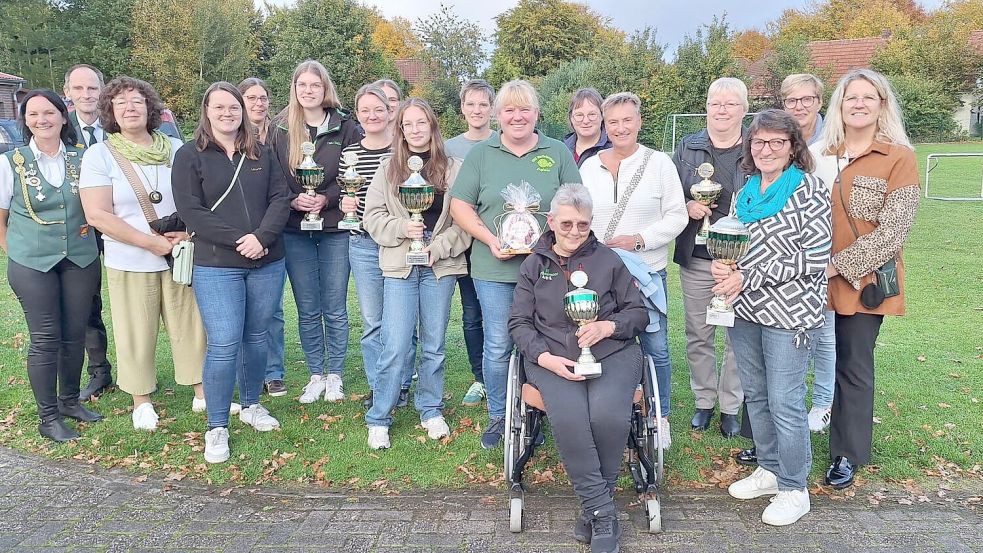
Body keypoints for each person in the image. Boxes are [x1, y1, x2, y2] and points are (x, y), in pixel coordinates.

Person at [509, 183, 647, 553]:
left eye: (582, 225)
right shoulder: (533, 265)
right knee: (570, 416)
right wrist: (544, 357)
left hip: (613, 354)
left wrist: (609, 326)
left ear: (590, 224)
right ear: (551, 221)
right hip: (552, 357)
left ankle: (593, 509)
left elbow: (638, 313)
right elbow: (519, 324)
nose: (574, 232)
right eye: (566, 224)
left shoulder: (609, 261)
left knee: (607, 416)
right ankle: (603, 512)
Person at [712, 109, 831, 526]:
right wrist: (724, 268)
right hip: (745, 311)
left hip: (790, 313)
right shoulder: (745, 191)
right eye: (759, 142)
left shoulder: (810, 190)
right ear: (750, 146)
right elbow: (733, 242)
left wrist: (748, 276)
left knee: (786, 401)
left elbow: (815, 257)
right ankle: (769, 468)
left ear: (792, 147)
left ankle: (795, 487)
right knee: (757, 395)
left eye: (777, 142)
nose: (767, 150)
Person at [449, 79, 582, 449]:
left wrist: (557, 239)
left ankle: (542, 409)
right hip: (494, 269)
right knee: (496, 343)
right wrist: (491, 240)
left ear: (537, 114)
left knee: (546, 340)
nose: (517, 116)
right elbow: (460, 204)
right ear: (497, 115)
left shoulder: (556, 152)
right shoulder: (481, 154)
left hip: (549, 268)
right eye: (509, 109)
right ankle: (500, 415)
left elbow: (576, 202)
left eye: (525, 109)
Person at [810, 69, 920, 490]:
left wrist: (837, 266)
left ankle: (846, 453)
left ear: (882, 105)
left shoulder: (899, 157)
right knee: (785, 356)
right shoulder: (819, 153)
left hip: (863, 281)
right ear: (839, 105)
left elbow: (894, 230)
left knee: (853, 365)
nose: (858, 104)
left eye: (867, 97)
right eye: (850, 97)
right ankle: (768, 444)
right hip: (808, 278)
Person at [172, 81, 291, 463]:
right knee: (224, 343)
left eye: (234, 107)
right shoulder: (190, 155)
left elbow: (280, 199)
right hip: (217, 264)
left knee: (257, 337)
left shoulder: (264, 152)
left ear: (243, 112)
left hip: (267, 260)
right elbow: (191, 212)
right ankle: (217, 425)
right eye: (219, 107)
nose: (228, 113)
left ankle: (253, 403)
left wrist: (262, 237)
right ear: (206, 111)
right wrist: (242, 239)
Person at [79, 76, 205, 431]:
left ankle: (201, 390)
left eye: (136, 101)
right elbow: (98, 214)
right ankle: (141, 400)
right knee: (135, 330)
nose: (130, 108)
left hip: (180, 253)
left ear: (151, 108)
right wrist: (149, 242)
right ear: (111, 113)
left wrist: (187, 233)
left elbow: (200, 199)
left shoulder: (179, 148)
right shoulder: (99, 155)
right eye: (121, 104)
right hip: (130, 259)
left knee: (192, 324)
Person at [579, 92, 688, 450]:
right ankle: (610, 412)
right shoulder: (589, 165)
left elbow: (678, 215)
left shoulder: (658, 163)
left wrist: (639, 239)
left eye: (628, 120)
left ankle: (662, 416)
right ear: (605, 126)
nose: (621, 127)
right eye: (613, 121)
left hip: (646, 272)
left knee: (655, 346)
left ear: (639, 122)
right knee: (606, 344)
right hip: (601, 274)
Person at [362, 98, 470, 449]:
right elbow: (372, 217)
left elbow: (464, 225)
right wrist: (402, 230)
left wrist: (435, 249)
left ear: (433, 126)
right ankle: (380, 416)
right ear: (401, 129)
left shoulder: (455, 169)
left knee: (434, 345)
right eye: (408, 125)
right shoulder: (387, 168)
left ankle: (430, 408)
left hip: (439, 268)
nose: (415, 130)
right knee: (395, 344)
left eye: (421, 123)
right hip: (399, 266)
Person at [0, 90, 102, 441]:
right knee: (45, 338)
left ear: (63, 116)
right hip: (32, 263)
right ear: (25, 121)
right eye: (32, 114)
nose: (41, 119)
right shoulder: (10, 162)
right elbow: (0, 220)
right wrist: (16, 251)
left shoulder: (84, 158)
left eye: (48, 112)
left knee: (74, 335)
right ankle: (48, 418)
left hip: (80, 257)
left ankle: (70, 401)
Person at [268, 60, 360, 404]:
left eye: (315, 85)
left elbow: (354, 177)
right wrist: (294, 201)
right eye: (302, 84)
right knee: (307, 307)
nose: (308, 90)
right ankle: (315, 374)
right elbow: (274, 177)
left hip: (335, 227)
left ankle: (335, 373)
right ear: (294, 88)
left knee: (334, 305)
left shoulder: (346, 127)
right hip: (294, 229)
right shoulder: (279, 128)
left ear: (326, 89)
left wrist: (326, 198)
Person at [672, 77, 748, 438]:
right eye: (716, 103)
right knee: (698, 332)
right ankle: (704, 401)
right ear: (706, 107)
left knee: (738, 336)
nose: (722, 110)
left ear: (743, 110)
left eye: (731, 104)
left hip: (742, 259)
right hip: (698, 254)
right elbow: (670, 194)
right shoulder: (687, 147)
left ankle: (731, 406)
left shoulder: (757, 146)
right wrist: (687, 205)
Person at [340, 84, 395, 410]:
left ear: (390, 112)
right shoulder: (350, 154)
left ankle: (401, 384)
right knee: (373, 321)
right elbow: (342, 194)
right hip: (362, 244)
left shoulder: (403, 152)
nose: (372, 115)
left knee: (402, 322)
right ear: (357, 115)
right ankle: (379, 387)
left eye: (379, 109)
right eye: (365, 110)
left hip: (398, 245)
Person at [63, 63, 114, 401]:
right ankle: (99, 372)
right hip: (78, 230)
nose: (86, 95)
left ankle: (140, 368)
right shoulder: (57, 128)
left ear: (102, 91)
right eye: (78, 89)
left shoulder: (118, 125)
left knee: (136, 296)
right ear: (67, 92)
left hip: (120, 226)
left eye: (92, 88)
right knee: (87, 303)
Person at [444, 79, 495, 407]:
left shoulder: (504, 142)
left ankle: (510, 372)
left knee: (505, 315)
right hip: (466, 247)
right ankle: (481, 378)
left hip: (503, 246)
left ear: (492, 109)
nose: (477, 110)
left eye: (483, 104)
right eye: (471, 104)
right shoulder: (448, 148)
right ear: (462, 108)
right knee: (472, 314)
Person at [236, 76, 288, 398]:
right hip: (239, 232)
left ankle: (273, 371)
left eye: (263, 97)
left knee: (273, 309)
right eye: (251, 98)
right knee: (239, 308)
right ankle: (244, 369)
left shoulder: (281, 136)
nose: (258, 103)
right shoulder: (229, 135)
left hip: (277, 226)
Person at [563, 88, 611, 167]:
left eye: (592, 114)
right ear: (571, 118)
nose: (585, 121)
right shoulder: (561, 150)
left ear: (602, 115)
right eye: (579, 115)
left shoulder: (613, 149)